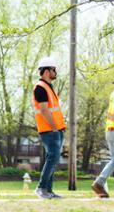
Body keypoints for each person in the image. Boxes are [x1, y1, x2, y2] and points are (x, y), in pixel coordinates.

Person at [32, 57, 66, 199]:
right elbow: (44, 109)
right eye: (53, 69)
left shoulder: (48, 87)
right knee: (52, 157)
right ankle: (41, 188)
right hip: (50, 129)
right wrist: (53, 127)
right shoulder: (40, 87)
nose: (55, 72)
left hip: (56, 129)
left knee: (53, 158)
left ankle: (49, 191)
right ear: (46, 71)